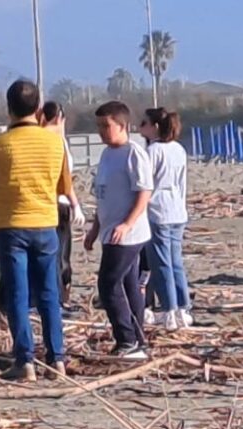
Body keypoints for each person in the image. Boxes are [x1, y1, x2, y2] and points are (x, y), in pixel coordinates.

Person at [0, 80, 72, 381]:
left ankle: (24, 360)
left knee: (17, 293)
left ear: (9, 108)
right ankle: (57, 359)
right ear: (38, 109)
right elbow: (64, 186)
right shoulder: (55, 144)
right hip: (45, 223)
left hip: (10, 225)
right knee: (50, 293)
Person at [85, 101, 155, 361]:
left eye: (107, 126)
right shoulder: (106, 155)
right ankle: (138, 339)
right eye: (99, 127)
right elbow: (103, 197)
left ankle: (126, 340)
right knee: (128, 285)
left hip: (129, 234)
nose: (103, 131)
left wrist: (127, 223)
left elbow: (144, 192)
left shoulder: (133, 153)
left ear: (123, 126)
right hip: (109, 230)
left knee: (108, 284)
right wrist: (95, 228)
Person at [138, 108, 190, 331]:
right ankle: (183, 307)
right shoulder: (178, 149)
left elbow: (145, 184)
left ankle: (169, 309)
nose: (141, 128)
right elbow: (182, 183)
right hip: (177, 209)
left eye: (144, 123)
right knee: (175, 261)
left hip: (158, 211)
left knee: (162, 264)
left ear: (155, 126)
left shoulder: (153, 151)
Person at [39, 102, 86, 290]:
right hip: (58, 204)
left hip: (39, 203)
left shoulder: (34, 138)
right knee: (59, 254)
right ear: (59, 118)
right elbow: (64, 180)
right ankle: (58, 296)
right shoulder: (57, 142)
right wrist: (76, 205)